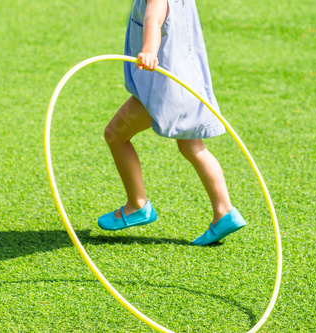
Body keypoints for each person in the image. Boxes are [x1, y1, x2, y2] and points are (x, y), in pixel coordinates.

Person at [97, 0, 246, 245]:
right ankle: (224, 212)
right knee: (192, 148)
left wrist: (149, 50)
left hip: (161, 88)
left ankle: (137, 204)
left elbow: (153, 19)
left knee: (115, 134)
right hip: (187, 83)